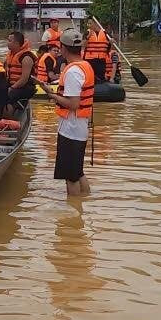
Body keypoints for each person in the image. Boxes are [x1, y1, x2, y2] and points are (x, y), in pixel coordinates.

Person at [35, 28, 94, 196]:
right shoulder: (84, 65)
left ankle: (73, 213)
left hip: (71, 129)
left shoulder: (73, 71)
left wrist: (51, 94)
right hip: (79, 127)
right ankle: (83, 203)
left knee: (71, 176)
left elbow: (73, 104)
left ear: (63, 48)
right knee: (77, 171)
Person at [4, 31, 37, 112]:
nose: (7, 43)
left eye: (9, 41)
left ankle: (11, 117)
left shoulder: (26, 57)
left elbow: (24, 79)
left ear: (17, 43)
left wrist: (11, 88)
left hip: (26, 87)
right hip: (13, 85)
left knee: (6, 96)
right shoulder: (10, 56)